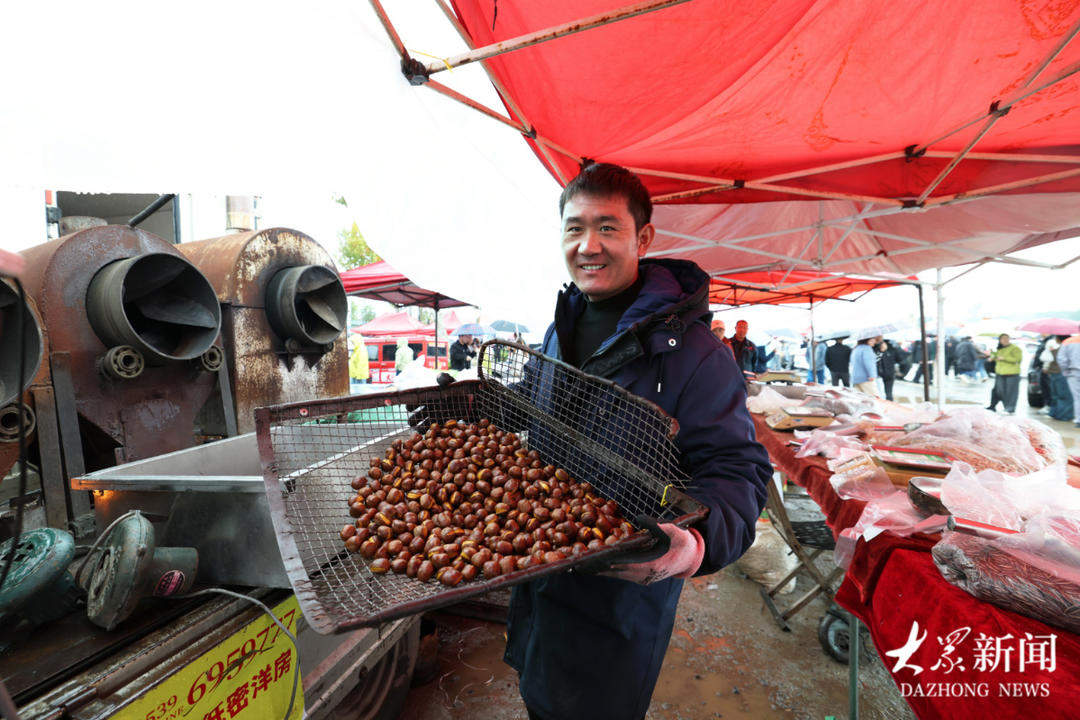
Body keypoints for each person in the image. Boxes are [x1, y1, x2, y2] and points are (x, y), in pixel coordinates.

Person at [506, 162, 771, 720]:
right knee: (538, 696)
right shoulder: (559, 328)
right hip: (537, 568)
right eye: (575, 228)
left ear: (643, 238)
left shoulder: (696, 354)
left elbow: (737, 469)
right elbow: (537, 394)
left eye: (607, 227)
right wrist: (485, 405)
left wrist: (696, 545)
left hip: (620, 597)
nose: (588, 246)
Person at [987, 333, 1022, 414]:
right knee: (999, 391)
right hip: (1000, 373)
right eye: (1002, 339)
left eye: (1006, 338)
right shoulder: (1000, 349)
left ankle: (1010, 408)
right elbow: (996, 358)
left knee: (1011, 392)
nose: (1005, 340)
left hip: (1012, 373)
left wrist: (1004, 358)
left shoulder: (1015, 348)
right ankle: (997, 406)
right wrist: (992, 356)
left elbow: (1018, 359)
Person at [1043, 335, 1074, 421]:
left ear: (1058, 339)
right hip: (1063, 374)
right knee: (1064, 396)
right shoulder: (1067, 349)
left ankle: (1054, 413)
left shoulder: (1056, 349)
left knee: (1055, 395)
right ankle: (1064, 416)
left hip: (1054, 373)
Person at [1056, 333, 1080, 427]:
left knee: (1077, 398)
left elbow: (1061, 359)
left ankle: (1079, 420)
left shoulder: (1068, 341)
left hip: (1073, 373)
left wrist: (1066, 371)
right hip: (1073, 372)